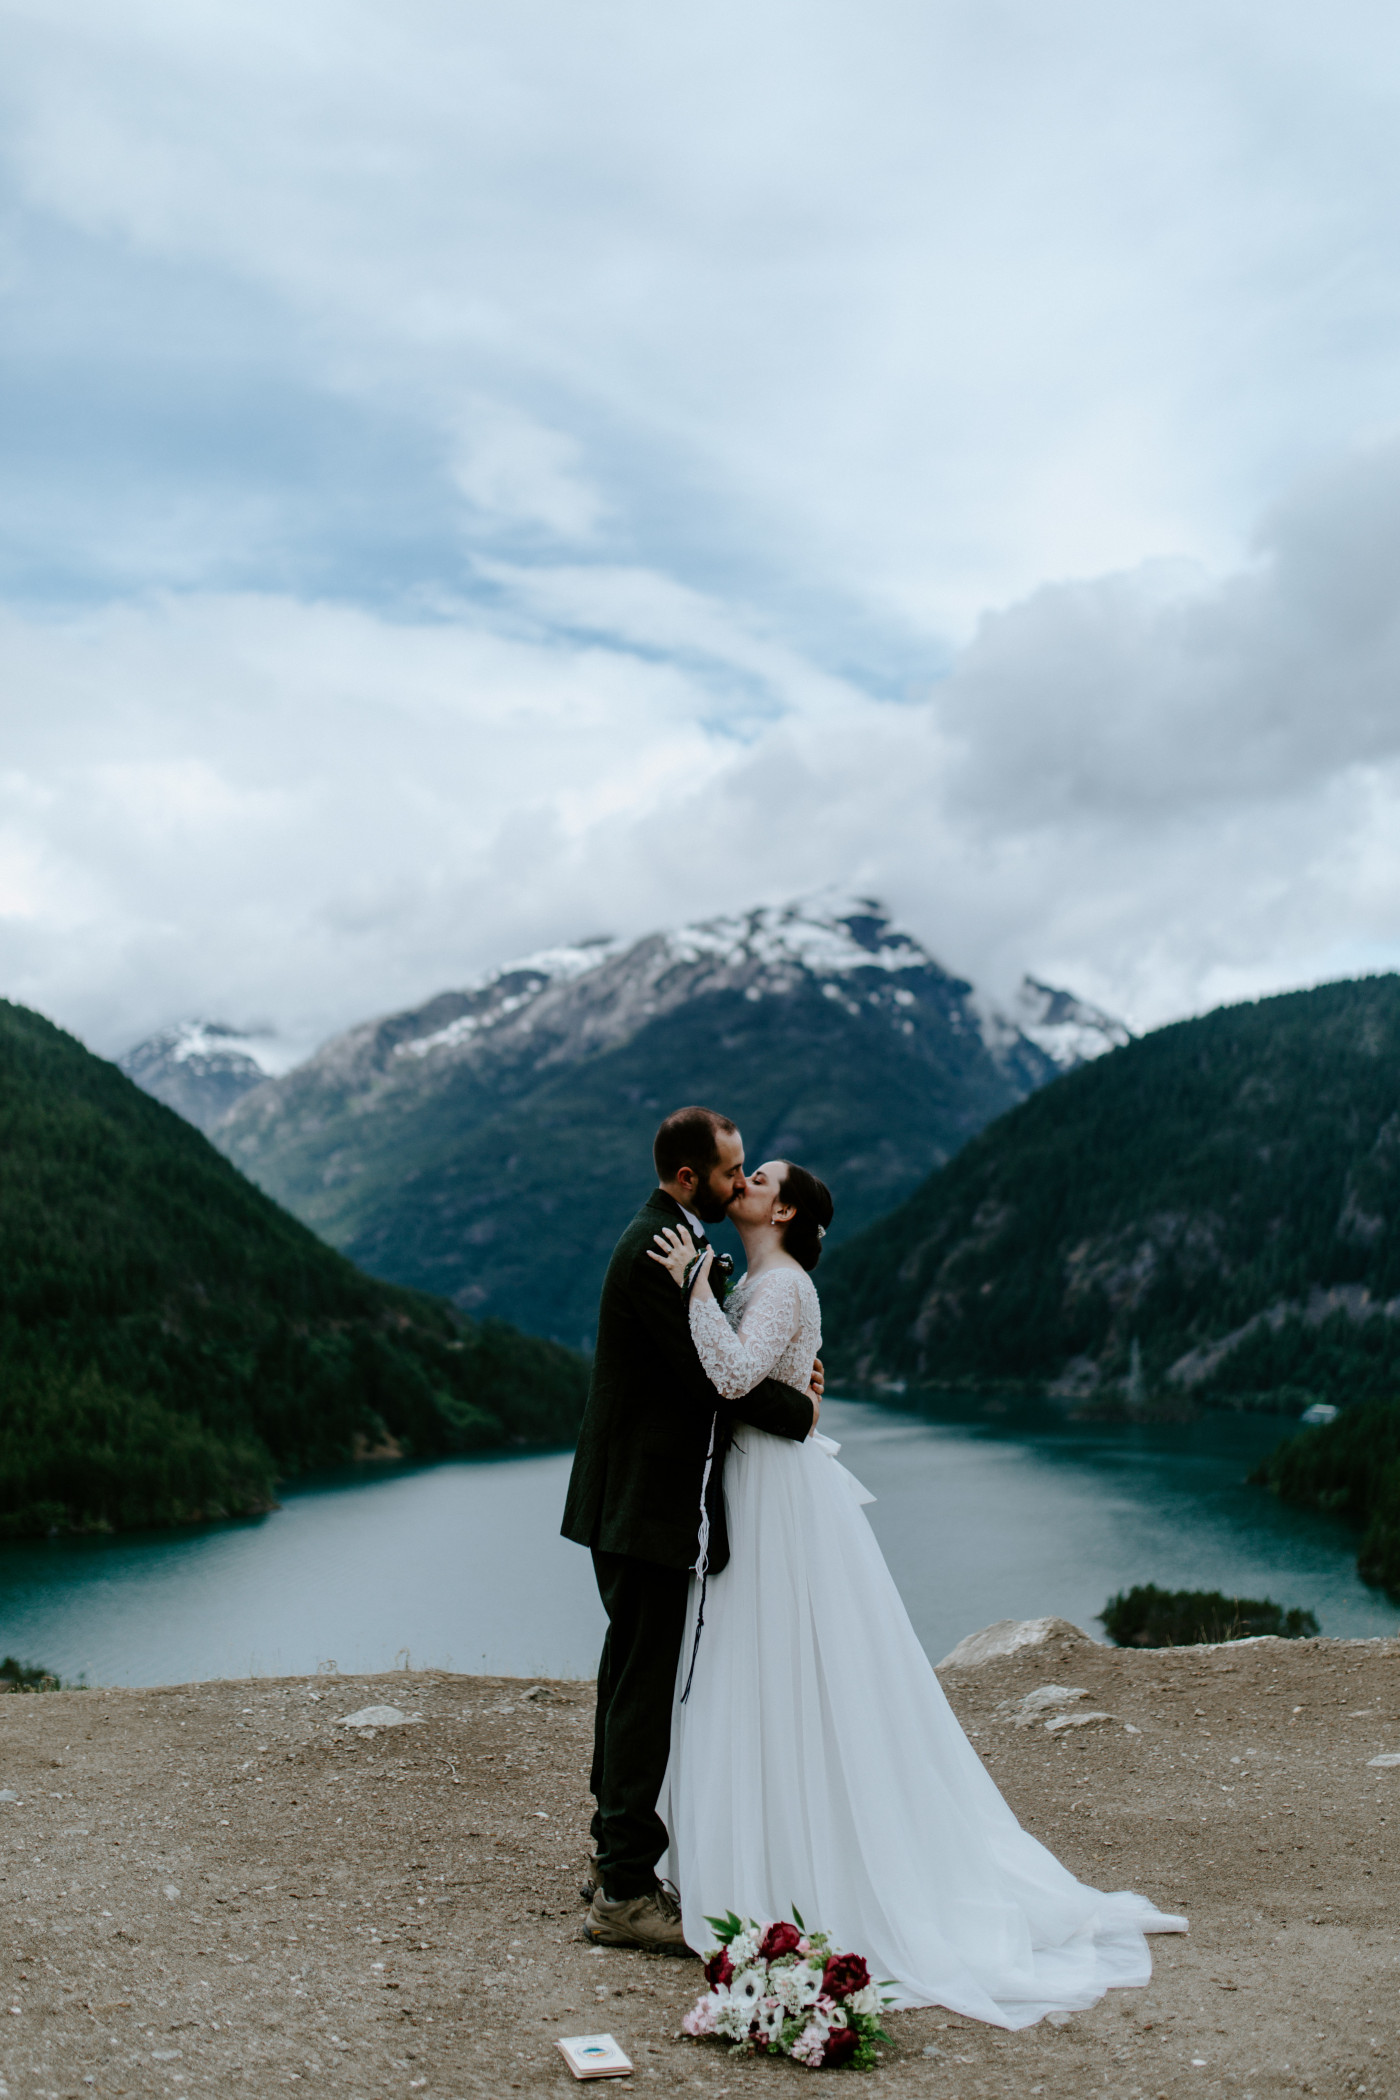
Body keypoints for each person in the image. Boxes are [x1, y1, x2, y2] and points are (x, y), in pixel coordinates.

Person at [650, 1158, 1188, 2030]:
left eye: (760, 1177)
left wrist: (691, 1295)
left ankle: (789, 1856)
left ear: (782, 1208)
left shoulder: (776, 1284)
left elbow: (737, 1379)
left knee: (777, 1660)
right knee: (762, 1662)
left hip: (777, 1497)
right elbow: (770, 1384)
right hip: (766, 1482)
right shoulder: (762, 1280)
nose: (742, 1180)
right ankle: (772, 1845)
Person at [560, 1107, 821, 1954]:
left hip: (636, 1500)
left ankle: (616, 1861)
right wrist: (805, 1406)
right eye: (728, 1172)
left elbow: (721, 1362)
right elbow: (722, 1385)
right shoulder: (658, 1252)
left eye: (747, 1171)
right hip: (643, 1504)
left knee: (630, 1673)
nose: (738, 1182)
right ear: (687, 1180)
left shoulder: (676, 1240)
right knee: (642, 1686)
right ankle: (627, 1889)